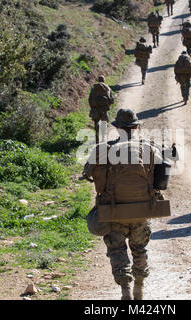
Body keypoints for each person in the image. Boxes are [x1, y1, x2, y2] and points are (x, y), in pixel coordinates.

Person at [82, 109, 164, 300]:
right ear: (136, 127)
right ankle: (140, 287)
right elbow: (162, 180)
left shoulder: (104, 149)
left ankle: (125, 288)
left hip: (113, 212)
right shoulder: (150, 148)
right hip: (141, 212)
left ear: (117, 128)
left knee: (116, 250)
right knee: (140, 248)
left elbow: (87, 173)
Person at [88, 75, 114, 143]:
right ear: (104, 80)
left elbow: (90, 99)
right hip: (104, 108)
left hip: (95, 108)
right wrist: (107, 105)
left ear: (98, 80)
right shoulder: (107, 88)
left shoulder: (93, 88)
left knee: (96, 122)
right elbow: (111, 100)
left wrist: (92, 107)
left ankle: (97, 138)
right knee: (104, 123)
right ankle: (103, 138)